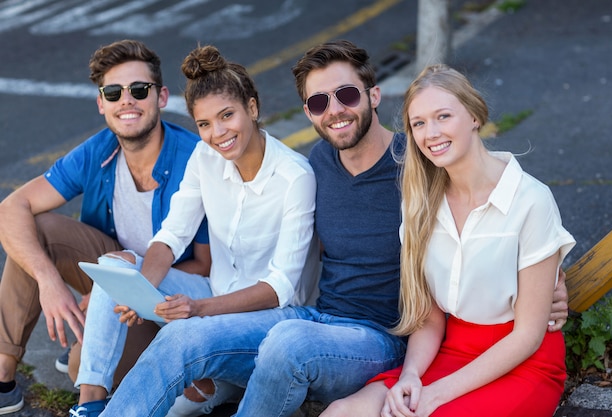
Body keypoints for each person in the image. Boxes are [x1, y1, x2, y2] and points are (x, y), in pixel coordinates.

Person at [98, 40, 570, 417]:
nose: (335, 110)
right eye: (319, 101)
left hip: (382, 338)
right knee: (185, 335)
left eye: (346, 94)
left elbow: (489, 200)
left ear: (373, 95)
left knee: (288, 344)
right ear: (308, 113)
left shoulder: (419, 163)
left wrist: (553, 280)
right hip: (318, 320)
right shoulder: (316, 164)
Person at [73, 44, 319, 417]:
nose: (218, 133)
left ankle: (213, 384)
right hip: (214, 296)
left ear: (252, 108)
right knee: (115, 267)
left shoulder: (295, 177)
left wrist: (198, 309)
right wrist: (142, 289)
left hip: (275, 320)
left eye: (227, 116)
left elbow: (280, 287)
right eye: (204, 124)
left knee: (180, 339)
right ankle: (90, 404)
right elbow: (172, 235)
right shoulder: (205, 158)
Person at [320, 64, 576, 417]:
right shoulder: (420, 203)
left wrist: (436, 394)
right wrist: (411, 376)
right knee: (342, 412)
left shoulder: (530, 200)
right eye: (419, 123)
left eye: (443, 116)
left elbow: (528, 335)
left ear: (473, 115)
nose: (432, 133)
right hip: (447, 350)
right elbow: (429, 317)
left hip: (522, 361)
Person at [0, 39, 211, 416]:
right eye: (113, 92)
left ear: (161, 97)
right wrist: (50, 283)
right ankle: (2, 375)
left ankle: (95, 353)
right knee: (34, 228)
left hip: (164, 300)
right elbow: (11, 207)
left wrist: (120, 288)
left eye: (139, 90)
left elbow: (207, 267)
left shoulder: (194, 161)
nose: (126, 101)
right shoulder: (99, 151)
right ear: (101, 103)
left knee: (83, 368)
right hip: (114, 275)